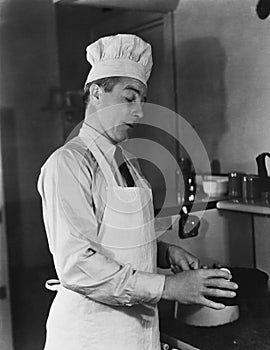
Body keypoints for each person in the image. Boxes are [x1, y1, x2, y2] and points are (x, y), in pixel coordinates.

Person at [37, 34, 238, 350]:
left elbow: (116, 236)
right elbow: (78, 265)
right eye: (129, 98)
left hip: (137, 330)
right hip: (92, 334)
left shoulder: (126, 159)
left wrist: (164, 252)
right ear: (96, 93)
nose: (139, 112)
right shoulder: (68, 163)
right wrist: (168, 287)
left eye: (142, 101)